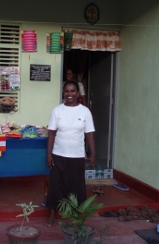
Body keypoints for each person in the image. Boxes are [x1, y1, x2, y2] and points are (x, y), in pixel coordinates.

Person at [45, 80, 96, 227]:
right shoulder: (57, 111)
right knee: (56, 185)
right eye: (67, 91)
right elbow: (52, 134)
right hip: (58, 154)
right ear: (63, 93)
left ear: (78, 93)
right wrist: (49, 154)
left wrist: (93, 154)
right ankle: (52, 214)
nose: (69, 94)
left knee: (77, 185)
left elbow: (90, 135)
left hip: (77, 155)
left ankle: (77, 214)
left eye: (73, 91)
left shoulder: (85, 111)